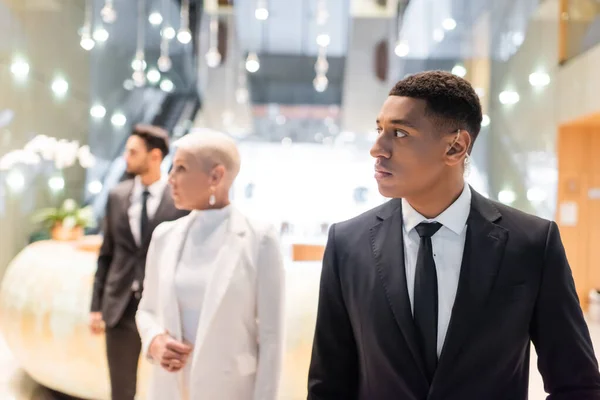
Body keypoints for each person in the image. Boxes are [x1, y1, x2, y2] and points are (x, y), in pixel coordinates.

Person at [307, 71, 600, 399]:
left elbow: (577, 384)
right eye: (380, 130)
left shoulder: (531, 243)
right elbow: (328, 385)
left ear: (456, 147)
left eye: (400, 133)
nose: (378, 148)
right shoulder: (348, 244)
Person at [136, 131, 285, 400]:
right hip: (170, 388)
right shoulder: (164, 236)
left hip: (231, 390)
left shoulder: (259, 240)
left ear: (215, 176)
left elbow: (272, 340)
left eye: (181, 168)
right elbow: (146, 310)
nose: (170, 178)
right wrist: (155, 341)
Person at [90, 125, 188, 400]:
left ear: (155, 156)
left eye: (133, 151)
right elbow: (106, 253)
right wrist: (96, 306)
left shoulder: (179, 200)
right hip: (118, 307)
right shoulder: (117, 196)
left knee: (167, 388)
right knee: (121, 390)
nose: (126, 157)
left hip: (162, 309)